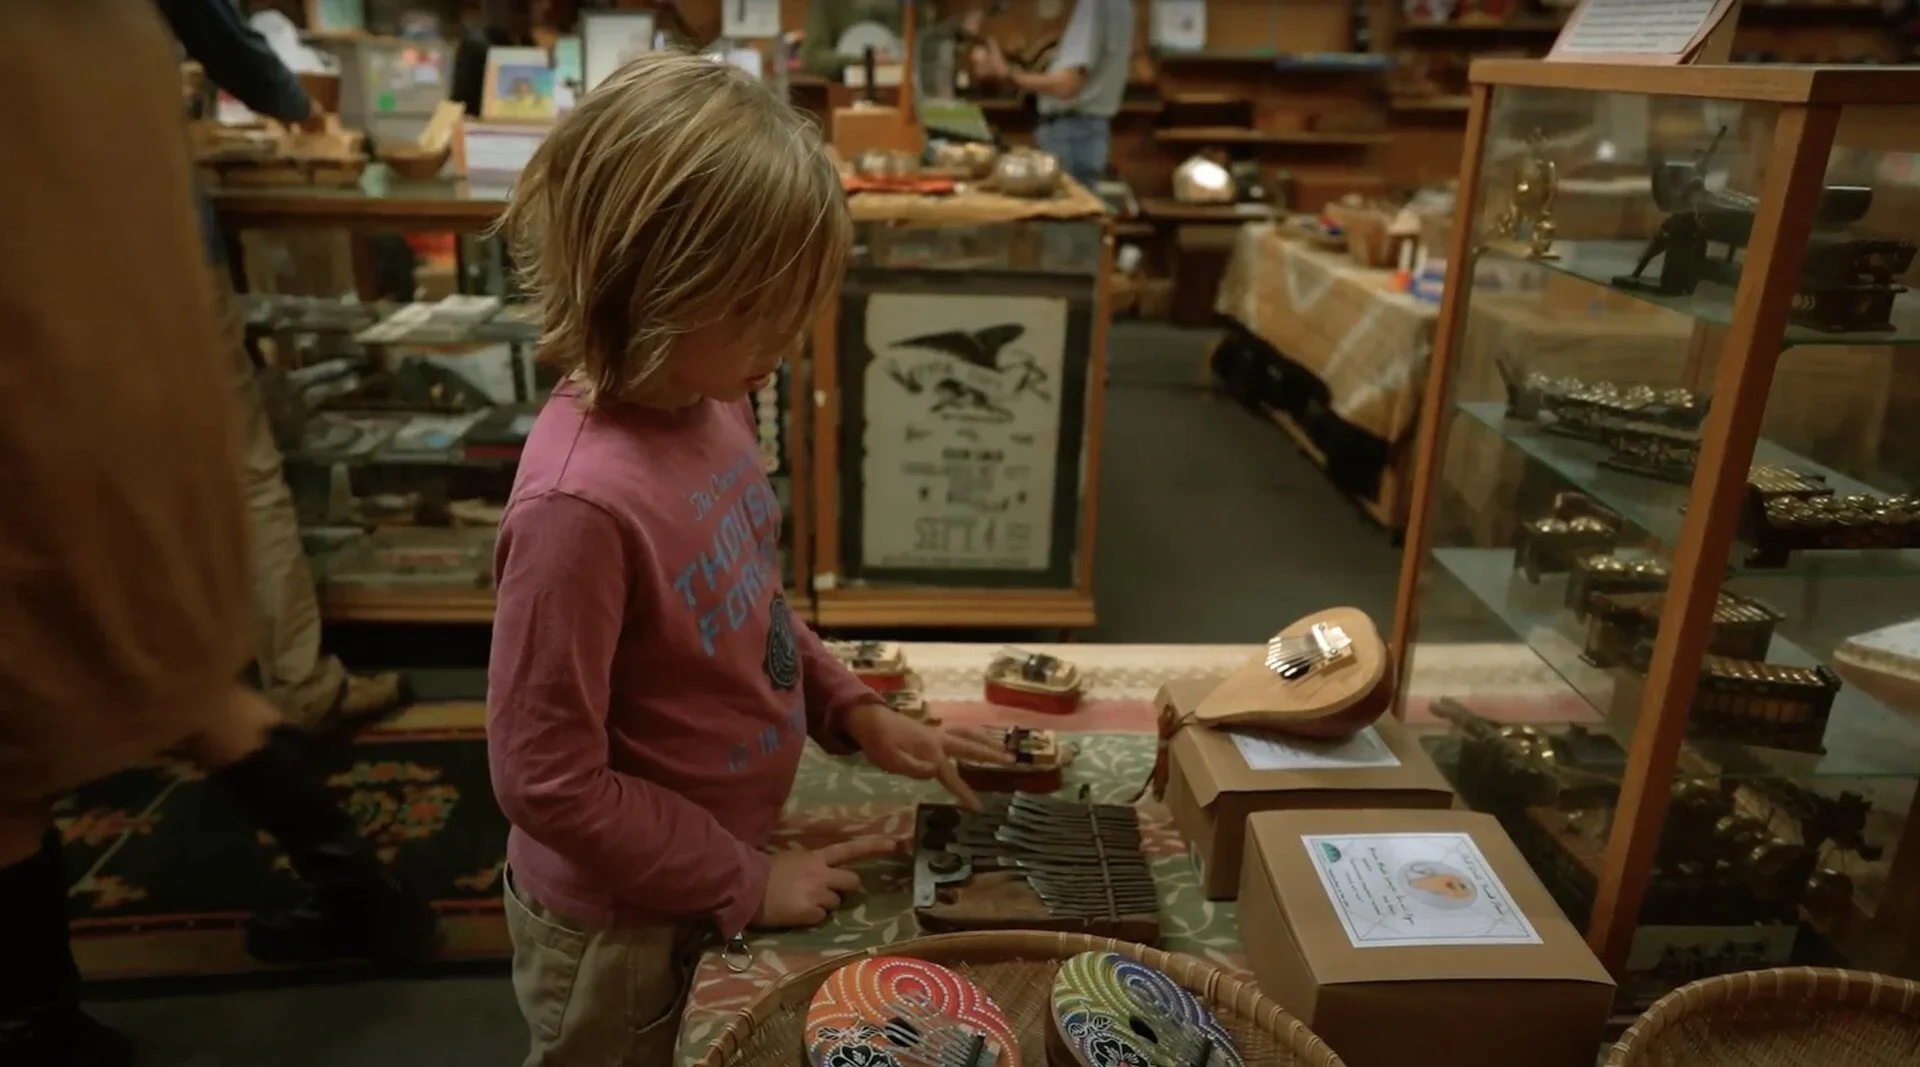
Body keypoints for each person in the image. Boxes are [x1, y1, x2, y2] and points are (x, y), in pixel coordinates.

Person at [487, 51, 1013, 1066]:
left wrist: (847, 703)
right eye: (757, 308)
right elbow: (546, 779)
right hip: (617, 927)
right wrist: (738, 877)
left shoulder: (713, 394)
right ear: (647, 280)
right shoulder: (576, 508)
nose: (790, 334)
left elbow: (746, 601)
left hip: (709, 853)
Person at [0, 5, 438, 1066]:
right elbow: (214, 32)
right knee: (169, 645)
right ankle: (360, 889)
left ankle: (36, 1018)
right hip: (141, 304)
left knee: (13, 714)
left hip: (34, 330)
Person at [159, 0, 410, 737]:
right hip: (147, 231)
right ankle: (297, 680)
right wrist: (301, 112)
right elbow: (217, 31)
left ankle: (136, 689)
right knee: (244, 464)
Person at [974, 0, 1134, 186]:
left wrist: (1006, 73)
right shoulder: (1122, 5)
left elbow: (1067, 85)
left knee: (1064, 211)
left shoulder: (1094, 4)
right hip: (1088, 130)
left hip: (1071, 134)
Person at [801, 0, 906, 81]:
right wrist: (858, 60)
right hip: (845, 94)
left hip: (905, 90)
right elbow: (813, 57)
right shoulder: (828, 4)